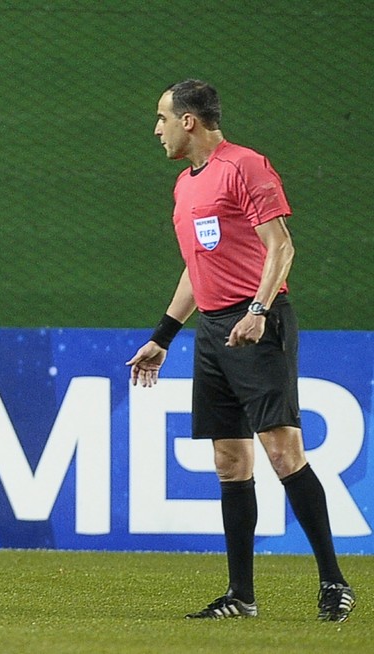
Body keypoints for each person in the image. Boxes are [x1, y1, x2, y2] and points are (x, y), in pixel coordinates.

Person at [126, 80, 355, 622]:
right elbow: (197, 267)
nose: (156, 129)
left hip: (257, 323)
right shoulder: (185, 186)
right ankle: (241, 596)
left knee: (282, 452)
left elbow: (282, 246)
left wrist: (258, 310)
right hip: (212, 330)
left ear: (189, 121)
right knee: (230, 463)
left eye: (162, 118)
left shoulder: (245, 166)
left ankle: (334, 583)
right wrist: (163, 335)